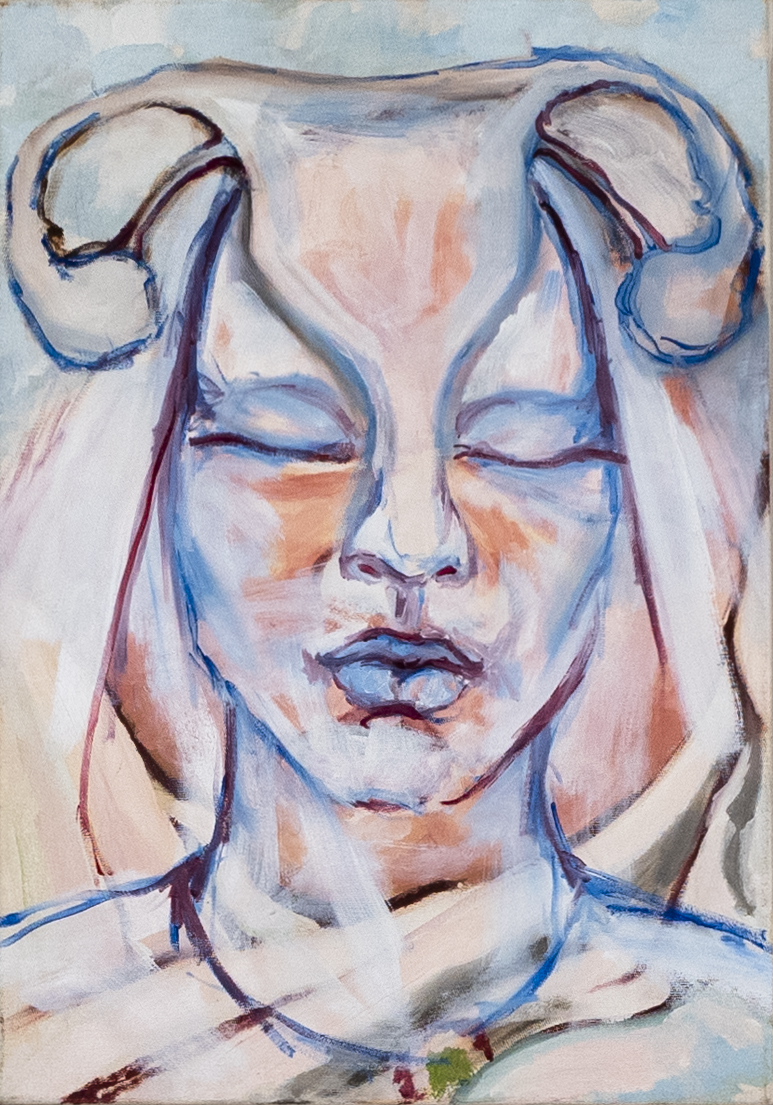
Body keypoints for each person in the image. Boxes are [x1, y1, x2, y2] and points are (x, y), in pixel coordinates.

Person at [0, 51, 769, 1104]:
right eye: (288, 434)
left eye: (520, 442)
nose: (410, 540)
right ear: (157, 485)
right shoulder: (28, 1027)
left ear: (624, 504)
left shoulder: (728, 1044)